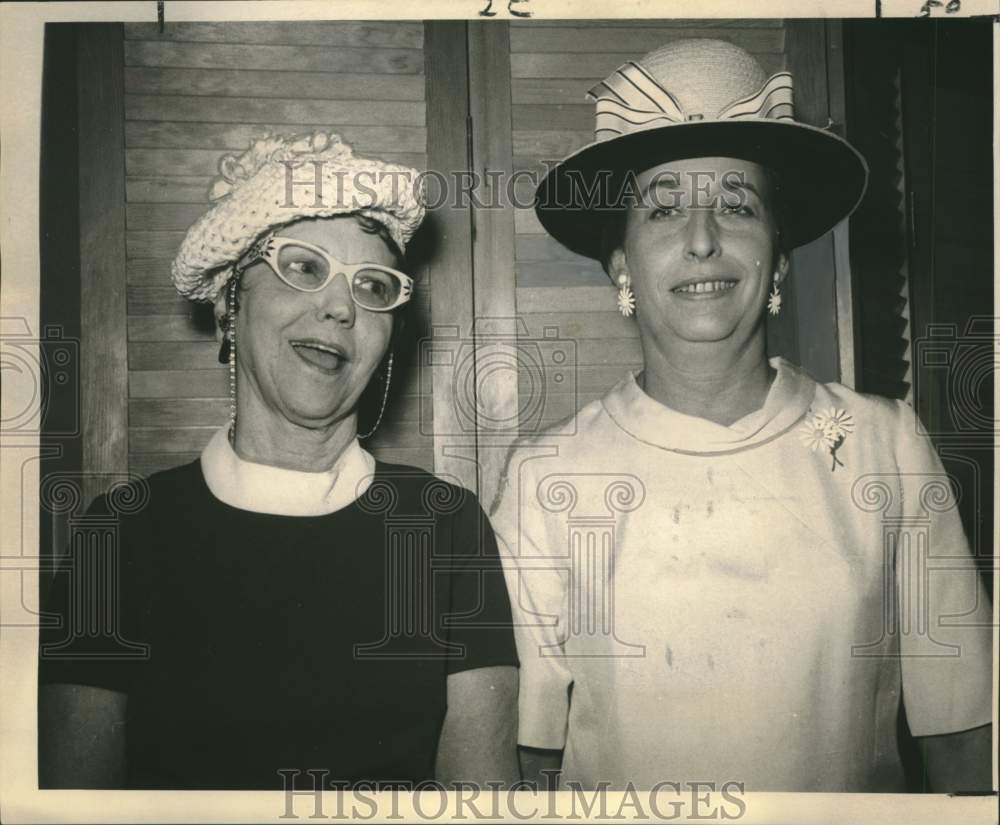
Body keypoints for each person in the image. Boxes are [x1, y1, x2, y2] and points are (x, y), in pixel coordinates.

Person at [491, 39, 993, 792]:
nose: (702, 242)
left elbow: (967, 737)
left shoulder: (887, 445)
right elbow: (530, 765)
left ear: (779, 256)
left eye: (736, 206)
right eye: (662, 212)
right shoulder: (546, 478)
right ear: (620, 262)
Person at [38, 131, 519, 789]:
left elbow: (481, 797)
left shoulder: (445, 527)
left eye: (372, 285)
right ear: (228, 306)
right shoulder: (116, 536)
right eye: (304, 266)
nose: (340, 306)